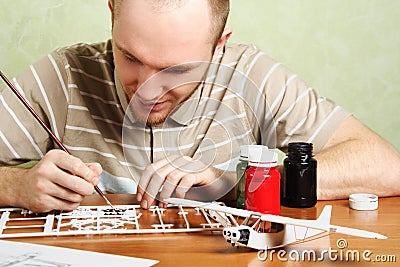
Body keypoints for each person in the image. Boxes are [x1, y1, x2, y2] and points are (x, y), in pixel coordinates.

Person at [0, 0, 399, 213]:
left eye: (177, 70)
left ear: (219, 46)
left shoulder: (253, 76)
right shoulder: (63, 74)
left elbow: (385, 166)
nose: (148, 90)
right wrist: (15, 186)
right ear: (111, 12)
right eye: (131, 57)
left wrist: (233, 183)